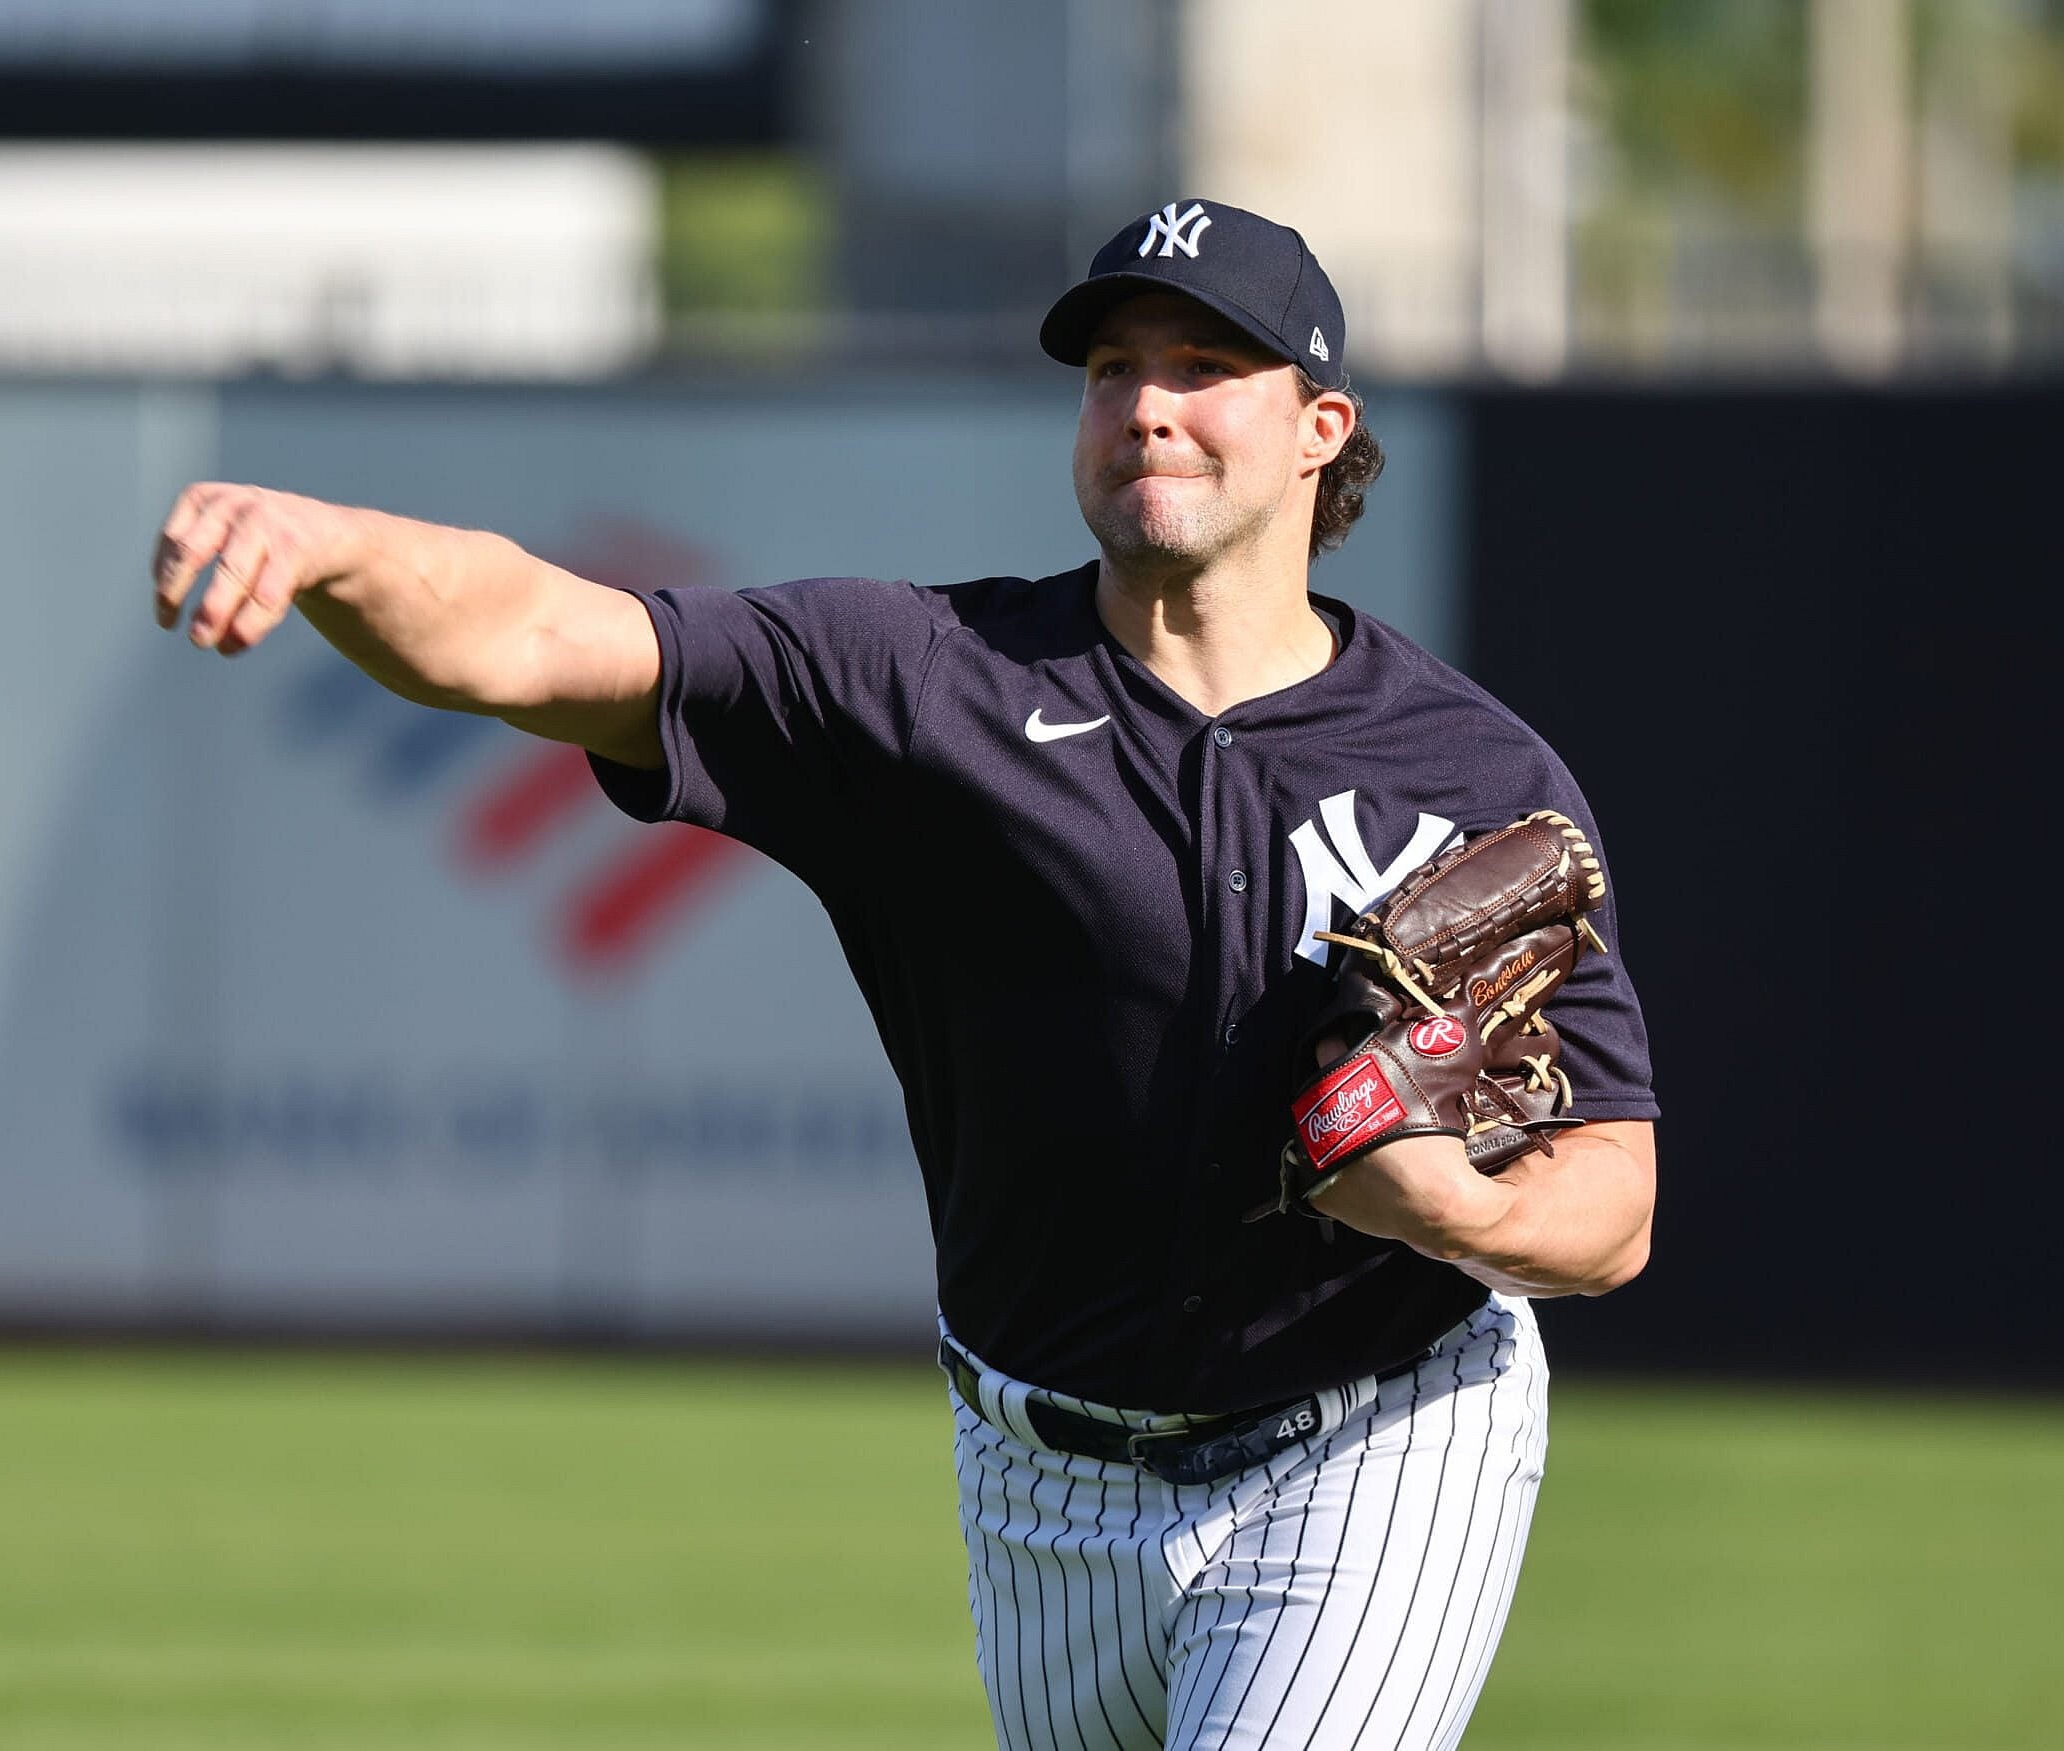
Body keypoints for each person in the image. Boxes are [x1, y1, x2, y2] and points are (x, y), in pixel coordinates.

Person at [151, 197, 1656, 1750]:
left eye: (1207, 365)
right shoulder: (918, 688)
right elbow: (537, 636)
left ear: (1316, 429)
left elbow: (1613, 1195)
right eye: (1111, 369)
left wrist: (1465, 1214)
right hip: (1039, 1479)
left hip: (1377, 1437)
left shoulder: (1466, 773)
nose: (1146, 404)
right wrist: (332, 546)